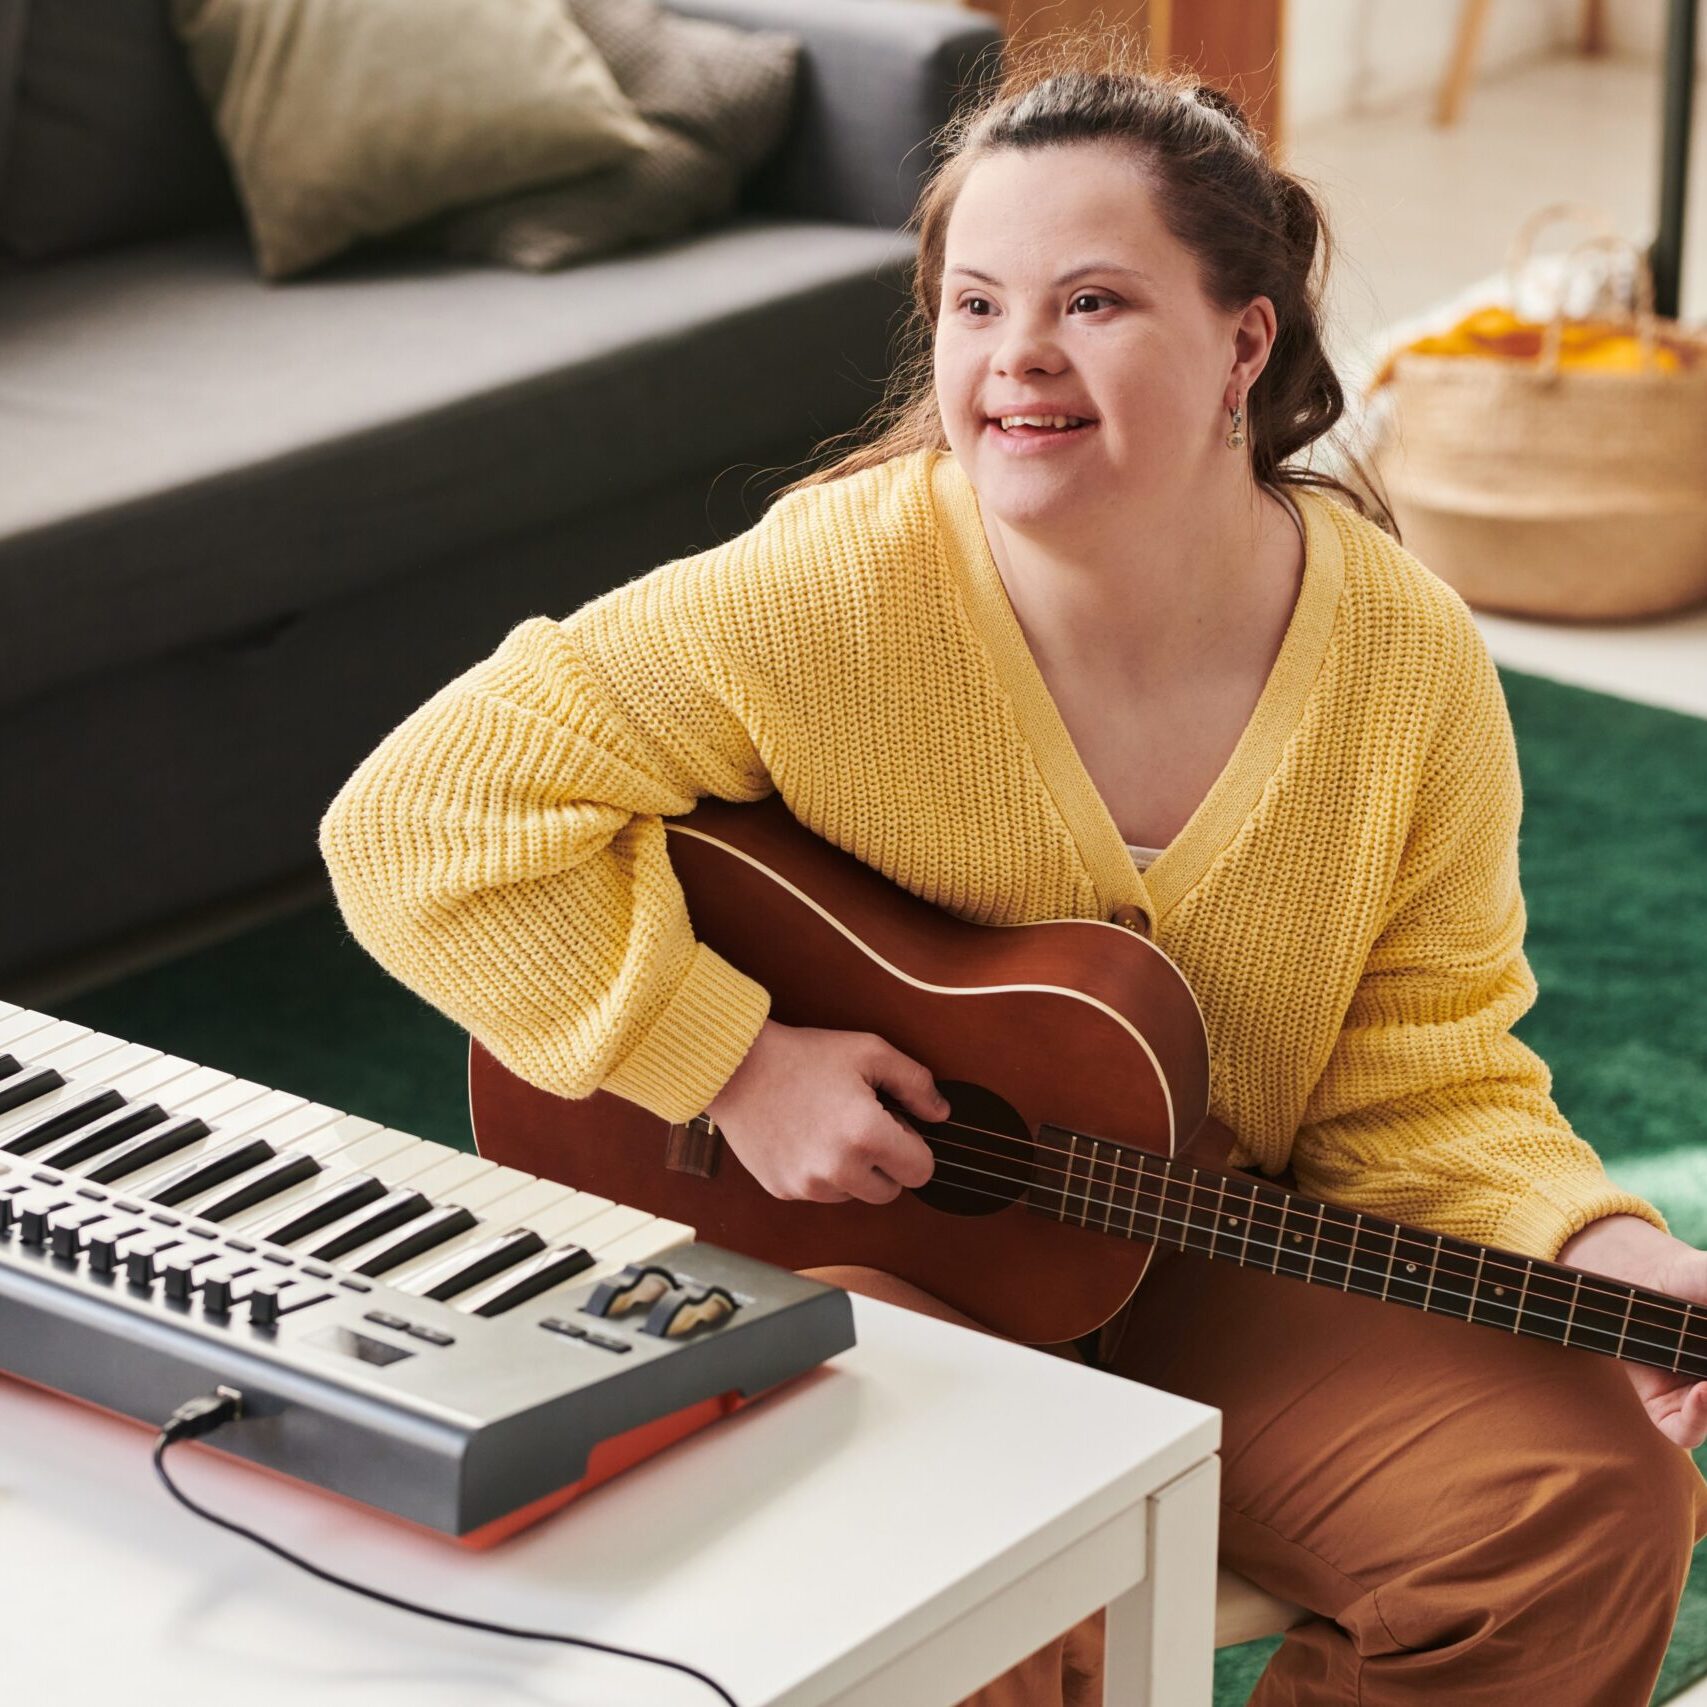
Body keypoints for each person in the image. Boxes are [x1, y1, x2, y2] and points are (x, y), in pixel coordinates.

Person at [318, 23, 1707, 1706]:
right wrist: (732, 1058)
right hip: (840, 1258)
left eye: (1092, 302)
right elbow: (418, 818)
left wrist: (1592, 1249)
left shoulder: (1406, 659)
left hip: (1205, 1241)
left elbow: (1415, 1078)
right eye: (977, 304)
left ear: (1242, 344)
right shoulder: (832, 591)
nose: (1016, 360)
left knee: (1589, 1502)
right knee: (985, 1570)